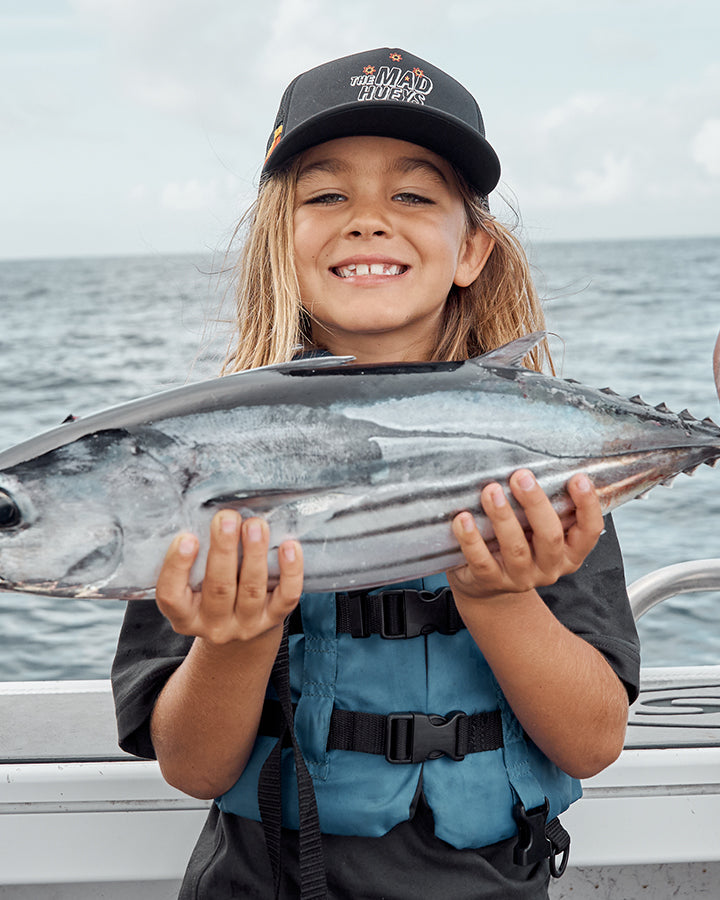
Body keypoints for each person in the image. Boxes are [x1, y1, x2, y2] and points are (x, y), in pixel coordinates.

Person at [112, 47, 640, 899]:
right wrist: (237, 637)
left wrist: (500, 596)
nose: (367, 220)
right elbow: (192, 766)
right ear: (282, 241)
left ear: (473, 249)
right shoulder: (198, 456)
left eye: (412, 195)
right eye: (326, 195)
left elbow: (591, 743)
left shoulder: (536, 454)